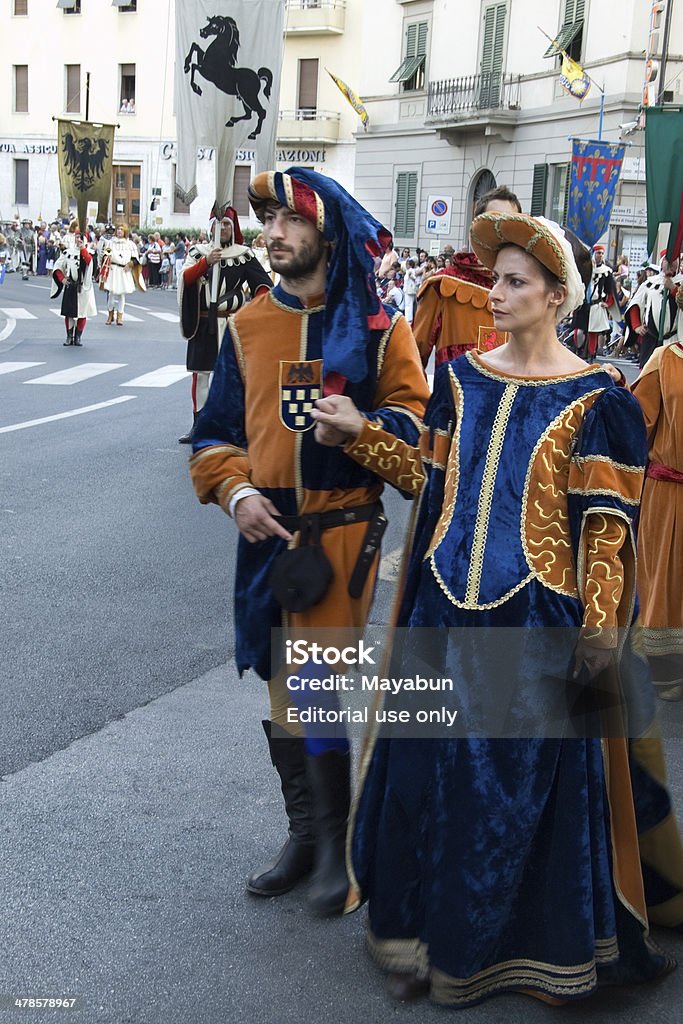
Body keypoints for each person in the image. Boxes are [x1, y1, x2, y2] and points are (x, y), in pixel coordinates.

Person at [347, 211, 683, 1007]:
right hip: (439, 612)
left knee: (508, 791)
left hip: (535, 620)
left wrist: (599, 633)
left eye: (512, 281)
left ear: (555, 296)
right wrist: (358, 433)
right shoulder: (459, 379)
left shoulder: (598, 398)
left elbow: (605, 527)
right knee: (424, 776)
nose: (491, 292)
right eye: (493, 277)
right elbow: (429, 485)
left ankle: (498, 948)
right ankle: (419, 934)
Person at [188, 167, 430, 916]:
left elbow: (418, 439)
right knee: (278, 685)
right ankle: (305, 833)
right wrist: (236, 491)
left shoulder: (379, 328)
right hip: (264, 535)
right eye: (266, 222)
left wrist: (364, 432)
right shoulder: (248, 326)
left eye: (287, 221)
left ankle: (336, 849)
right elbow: (213, 435)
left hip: (340, 531)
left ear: (325, 233)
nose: (272, 234)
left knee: (315, 688)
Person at [178, 207, 272, 444]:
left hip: (233, 324)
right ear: (211, 227)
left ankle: (233, 425)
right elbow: (186, 279)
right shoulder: (199, 252)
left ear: (234, 228)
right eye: (219, 224)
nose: (224, 229)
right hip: (203, 323)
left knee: (236, 376)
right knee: (201, 376)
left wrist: (254, 312)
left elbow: (263, 285)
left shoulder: (244, 254)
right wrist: (206, 263)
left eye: (228, 224)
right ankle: (199, 424)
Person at [412, 185, 521, 368]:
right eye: (493, 223)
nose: (502, 232)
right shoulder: (444, 284)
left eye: (511, 224)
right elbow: (412, 360)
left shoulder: (528, 289)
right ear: (476, 228)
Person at [632, 334, 683, 700]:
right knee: (665, 582)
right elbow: (634, 424)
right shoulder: (665, 360)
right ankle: (666, 670)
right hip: (669, 493)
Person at [626, 255, 680, 367]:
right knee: (647, 376)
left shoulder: (681, 282)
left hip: (673, 339)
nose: (670, 264)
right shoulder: (650, 283)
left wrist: (673, 288)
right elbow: (635, 303)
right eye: (667, 260)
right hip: (651, 338)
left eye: (674, 260)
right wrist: (636, 326)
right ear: (661, 263)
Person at [50, 219, 96, 346]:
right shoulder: (68, 252)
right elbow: (58, 267)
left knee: (82, 313)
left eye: (81, 237)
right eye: (77, 237)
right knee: (69, 313)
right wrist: (62, 279)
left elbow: (89, 264)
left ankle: (78, 337)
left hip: (83, 287)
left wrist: (83, 250)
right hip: (71, 286)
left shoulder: (89, 253)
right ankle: (69, 336)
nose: (78, 240)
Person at [99, 223, 143, 325]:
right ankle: (110, 315)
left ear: (125, 232)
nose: (119, 231)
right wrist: (105, 257)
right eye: (118, 229)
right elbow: (107, 254)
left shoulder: (130, 244)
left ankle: (120, 316)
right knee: (111, 294)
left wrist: (130, 264)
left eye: (121, 230)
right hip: (113, 269)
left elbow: (135, 258)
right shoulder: (111, 243)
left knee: (121, 295)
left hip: (124, 270)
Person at [584, 244, 617, 358]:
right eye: (598, 253)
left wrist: (608, 303)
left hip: (597, 304)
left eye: (602, 253)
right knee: (580, 331)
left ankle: (591, 353)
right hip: (584, 304)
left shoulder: (606, 271)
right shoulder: (586, 268)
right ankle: (581, 351)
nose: (600, 255)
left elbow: (610, 289)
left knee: (593, 332)